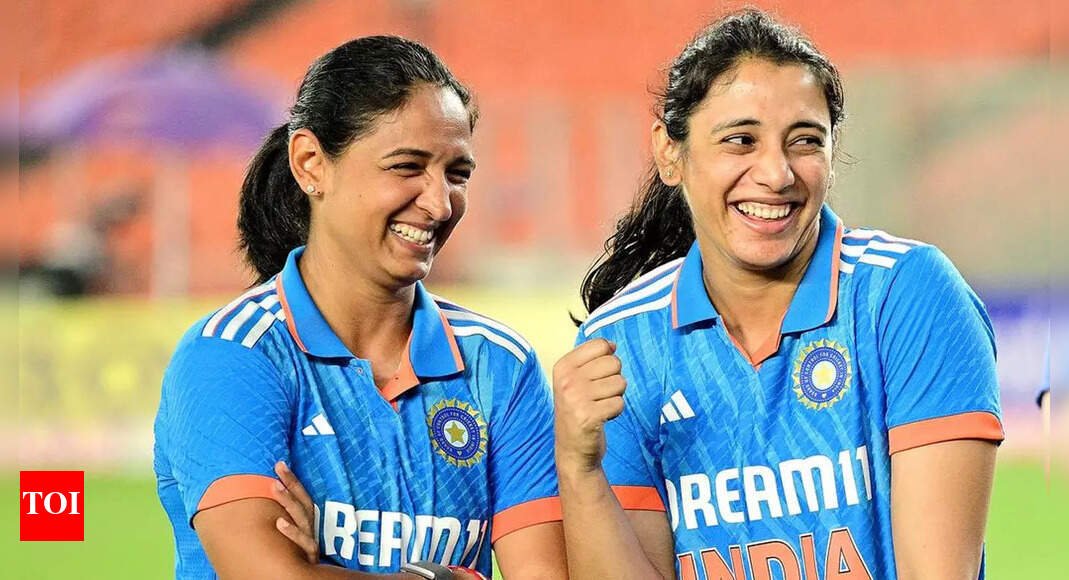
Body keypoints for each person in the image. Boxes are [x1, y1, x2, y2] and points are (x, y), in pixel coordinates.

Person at [552, 9, 1003, 580]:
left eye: (805, 141)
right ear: (669, 153)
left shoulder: (905, 294)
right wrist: (581, 469)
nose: (777, 173)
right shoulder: (622, 342)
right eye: (741, 140)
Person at [153, 36, 566, 580]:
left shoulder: (501, 365)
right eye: (407, 166)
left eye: (457, 174)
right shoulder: (233, 353)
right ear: (310, 164)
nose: (440, 203)